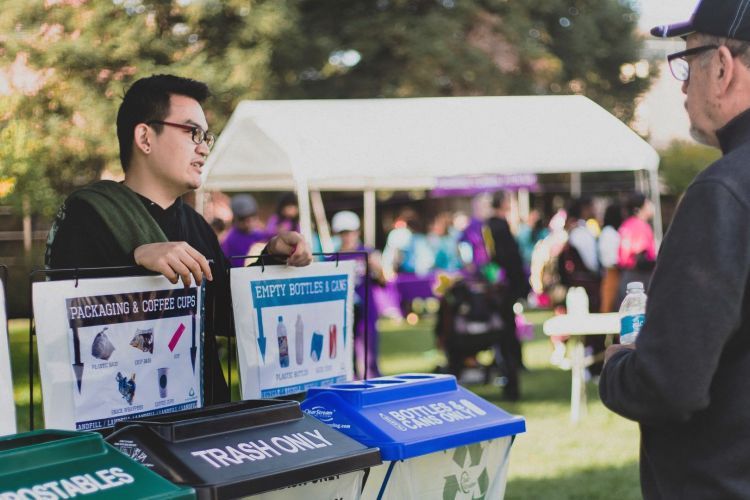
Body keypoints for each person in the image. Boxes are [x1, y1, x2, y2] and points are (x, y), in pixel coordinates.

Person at [45, 74, 312, 404]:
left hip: (206, 422)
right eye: (192, 133)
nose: (203, 148)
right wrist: (135, 259)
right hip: (128, 427)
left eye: (206, 137)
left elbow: (224, 318)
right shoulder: (88, 215)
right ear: (145, 137)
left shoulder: (196, 224)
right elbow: (62, 329)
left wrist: (273, 257)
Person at [601, 3, 750, 496]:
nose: (682, 85)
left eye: (687, 63)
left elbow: (671, 385)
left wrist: (618, 365)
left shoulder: (725, 191)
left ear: (723, 67)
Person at [485, 191, 530, 400]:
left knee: (503, 336)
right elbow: (509, 260)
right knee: (506, 336)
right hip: (504, 289)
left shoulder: (487, 227)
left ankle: (508, 375)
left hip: (497, 289)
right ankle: (510, 380)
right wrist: (520, 286)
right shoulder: (500, 227)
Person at [331, 210, 385, 379]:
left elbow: (384, 281)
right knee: (346, 349)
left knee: (368, 349)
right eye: (343, 233)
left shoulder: (367, 253)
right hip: (344, 311)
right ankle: (351, 380)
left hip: (366, 308)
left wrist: (377, 267)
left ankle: (372, 379)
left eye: (350, 232)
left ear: (357, 232)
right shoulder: (333, 258)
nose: (348, 237)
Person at [616, 192, 656, 303]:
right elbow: (640, 257)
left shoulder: (627, 224)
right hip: (638, 279)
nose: (651, 206)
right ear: (639, 208)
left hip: (628, 277)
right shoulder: (640, 226)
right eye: (648, 203)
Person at [221, 194, 269, 267]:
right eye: (242, 219)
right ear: (235, 219)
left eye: (252, 217)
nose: (248, 222)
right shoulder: (230, 240)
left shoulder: (261, 236)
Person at [598, 202, 623, 313]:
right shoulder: (609, 232)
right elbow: (610, 259)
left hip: (614, 272)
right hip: (612, 273)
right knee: (609, 306)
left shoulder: (610, 232)